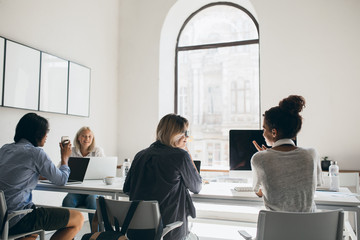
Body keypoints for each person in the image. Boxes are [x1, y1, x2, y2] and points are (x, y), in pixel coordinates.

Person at [0, 113, 84, 240]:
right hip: (18, 218)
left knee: (34, 224)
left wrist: (36, 175)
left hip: (2, 218)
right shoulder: (36, 153)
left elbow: (13, 173)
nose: (46, 137)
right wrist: (65, 158)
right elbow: (62, 180)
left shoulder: (5, 149)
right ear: (38, 134)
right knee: (78, 218)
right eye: (46, 133)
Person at [123, 114, 202, 240]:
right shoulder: (181, 156)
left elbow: (127, 188)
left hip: (136, 232)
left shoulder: (140, 155)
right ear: (175, 134)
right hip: (169, 232)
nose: (187, 137)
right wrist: (188, 154)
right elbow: (197, 186)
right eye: (184, 133)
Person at [251, 95, 323, 212]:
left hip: (276, 229)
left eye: (264, 129)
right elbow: (311, 187)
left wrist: (266, 158)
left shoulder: (259, 159)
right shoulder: (311, 154)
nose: (263, 134)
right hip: (308, 229)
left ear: (274, 132)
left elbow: (259, 192)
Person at [62, 126, 104, 226]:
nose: (87, 139)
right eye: (84, 136)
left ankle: (94, 235)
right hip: (77, 191)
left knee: (93, 200)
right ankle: (69, 236)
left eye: (90, 136)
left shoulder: (97, 151)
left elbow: (103, 171)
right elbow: (60, 169)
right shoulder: (70, 151)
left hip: (94, 191)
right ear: (78, 138)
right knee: (67, 201)